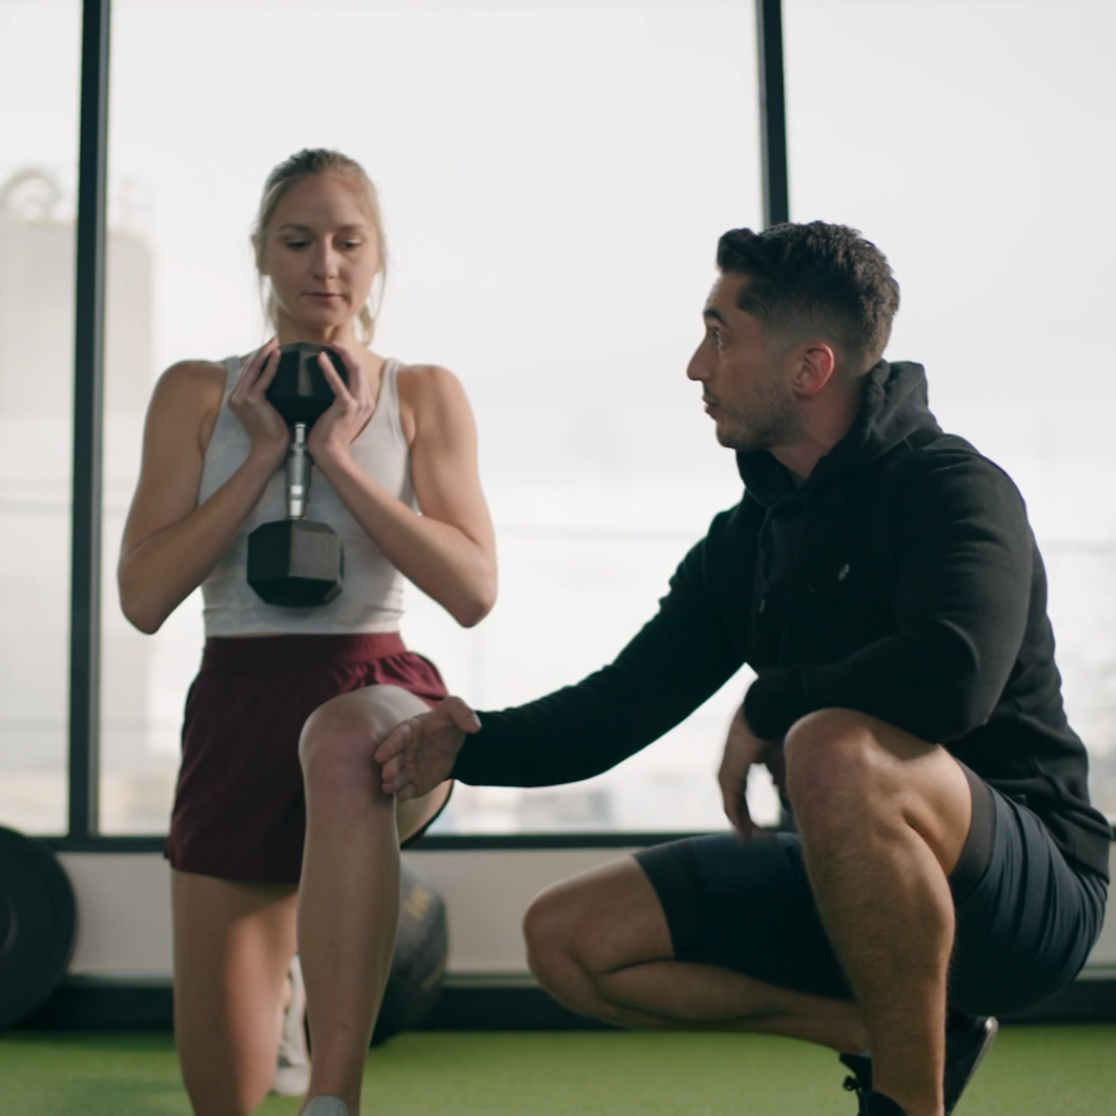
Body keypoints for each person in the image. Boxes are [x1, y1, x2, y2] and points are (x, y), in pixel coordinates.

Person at [374, 221, 1111, 1116]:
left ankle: (904, 1104)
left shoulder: (954, 491)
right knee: (569, 938)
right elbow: (619, 706)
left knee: (832, 745)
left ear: (809, 369)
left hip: (1023, 894)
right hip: (849, 870)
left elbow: (952, 681)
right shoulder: (747, 543)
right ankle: (889, 1030)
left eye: (721, 335)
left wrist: (772, 703)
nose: (695, 365)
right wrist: (468, 744)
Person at [118, 148, 497, 1116]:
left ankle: (335, 1095)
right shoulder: (196, 394)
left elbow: (471, 589)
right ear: (262, 255)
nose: (323, 263)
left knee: (340, 756)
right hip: (236, 705)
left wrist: (340, 457)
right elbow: (145, 596)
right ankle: (288, 993)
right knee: (224, 1099)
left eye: (347, 241)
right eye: (298, 240)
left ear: (376, 260)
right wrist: (254, 459)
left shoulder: (423, 394)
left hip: (375, 689)